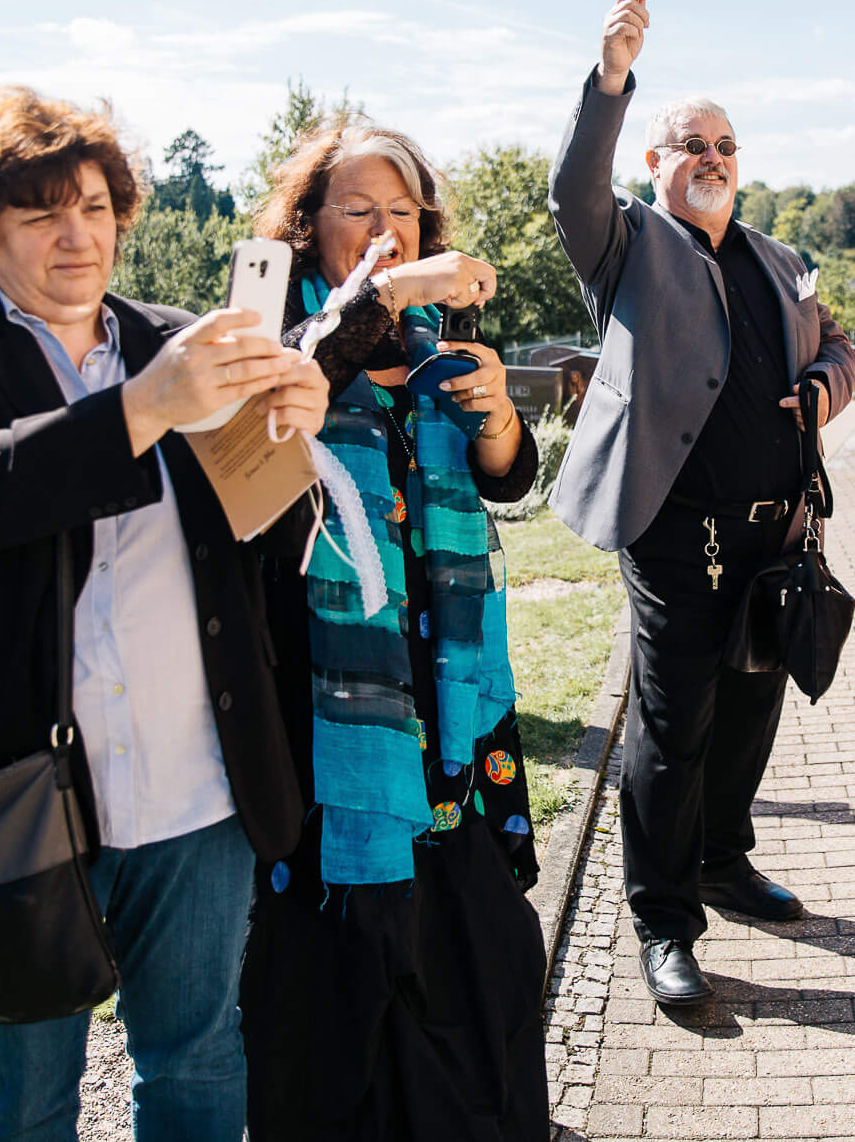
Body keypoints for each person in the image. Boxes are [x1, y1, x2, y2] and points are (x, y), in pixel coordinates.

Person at [0, 86, 331, 1142]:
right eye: (42, 213)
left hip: (194, 787)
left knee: (198, 1066)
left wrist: (293, 441)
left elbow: (263, 552)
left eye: (98, 208)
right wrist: (147, 407)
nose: (80, 236)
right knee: (18, 1109)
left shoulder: (182, 342)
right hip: (11, 796)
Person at [236, 120, 548, 1140]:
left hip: (451, 709)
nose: (387, 229)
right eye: (360, 211)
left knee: (474, 959)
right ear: (307, 226)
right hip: (329, 724)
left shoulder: (431, 349)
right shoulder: (267, 341)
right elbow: (275, 418)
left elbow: (504, 474)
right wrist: (387, 296)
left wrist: (498, 414)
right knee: (341, 998)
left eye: (404, 213)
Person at [548, 0, 855, 1007]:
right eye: (691, 142)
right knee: (674, 729)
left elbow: (843, 343)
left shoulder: (781, 259)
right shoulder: (628, 245)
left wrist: (827, 384)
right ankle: (665, 922)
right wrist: (610, 82)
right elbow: (569, 194)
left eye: (724, 142)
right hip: (678, 540)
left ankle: (725, 859)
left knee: (752, 714)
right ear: (657, 161)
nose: (712, 156)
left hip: (776, 538)